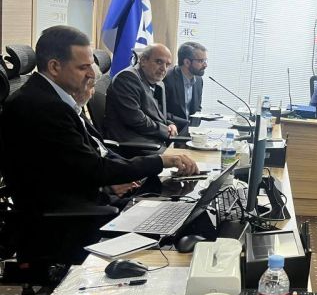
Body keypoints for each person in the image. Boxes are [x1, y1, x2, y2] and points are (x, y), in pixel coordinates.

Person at [0, 26, 197, 262]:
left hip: (89, 197)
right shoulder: (41, 107)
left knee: (178, 210)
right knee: (174, 242)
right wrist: (160, 161)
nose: (92, 75)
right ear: (54, 67)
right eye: (83, 67)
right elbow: (90, 169)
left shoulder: (55, 98)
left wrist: (116, 177)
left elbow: (90, 153)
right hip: (71, 217)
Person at [104, 44, 180, 145]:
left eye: (167, 65)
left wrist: (170, 125)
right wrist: (165, 130)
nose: (164, 69)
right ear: (143, 60)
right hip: (133, 143)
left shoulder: (151, 80)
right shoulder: (127, 78)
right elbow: (135, 119)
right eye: (159, 62)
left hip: (149, 140)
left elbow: (156, 114)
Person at [163, 41, 206, 128]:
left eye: (205, 60)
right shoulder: (166, 79)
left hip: (191, 131)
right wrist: (185, 124)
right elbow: (160, 111)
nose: (205, 65)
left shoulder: (199, 80)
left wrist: (193, 129)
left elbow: (197, 109)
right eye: (201, 61)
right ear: (187, 62)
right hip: (171, 130)